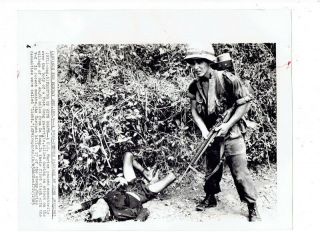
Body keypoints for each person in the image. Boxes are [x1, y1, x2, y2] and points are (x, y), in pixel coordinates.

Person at [184, 45, 261, 222]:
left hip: (232, 132)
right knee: (211, 170)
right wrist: (203, 129)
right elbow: (194, 111)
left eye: (200, 62)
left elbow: (243, 104)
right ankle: (210, 198)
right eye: (193, 63)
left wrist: (228, 125)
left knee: (240, 173)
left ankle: (252, 206)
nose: (196, 66)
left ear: (209, 62)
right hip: (212, 133)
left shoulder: (227, 79)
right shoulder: (194, 85)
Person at [69, 152, 176, 222]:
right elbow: (143, 211)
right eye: (98, 208)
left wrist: (79, 206)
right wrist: (139, 221)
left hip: (130, 185)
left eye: (95, 207)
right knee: (171, 176)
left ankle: (146, 173)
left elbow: (94, 201)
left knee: (128, 155)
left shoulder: (103, 202)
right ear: (106, 213)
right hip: (144, 193)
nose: (98, 205)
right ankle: (152, 180)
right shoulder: (119, 213)